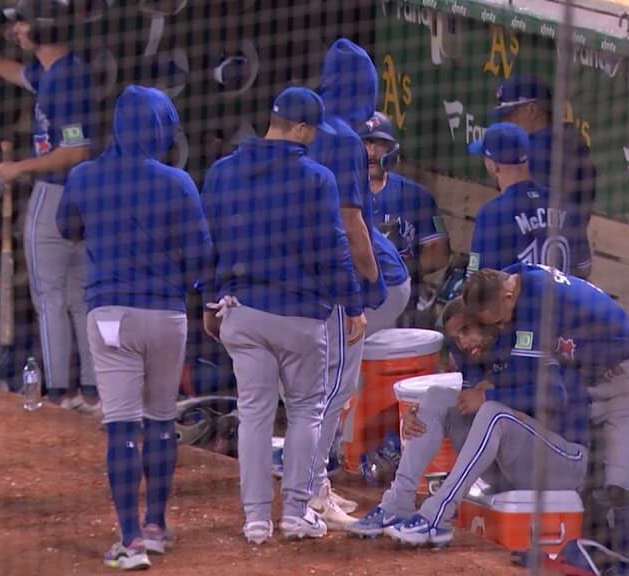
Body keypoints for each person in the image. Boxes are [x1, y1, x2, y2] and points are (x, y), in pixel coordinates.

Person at [54, 85, 213, 570]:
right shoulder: (178, 181)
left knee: (121, 427)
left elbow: (67, 228)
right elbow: (202, 255)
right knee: (162, 422)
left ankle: (130, 542)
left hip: (110, 319)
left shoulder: (84, 175)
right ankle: (156, 525)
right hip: (166, 317)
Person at [198, 86, 365, 543]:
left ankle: (255, 520)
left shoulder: (222, 172)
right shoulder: (317, 179)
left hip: (242, 313)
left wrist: (210, 301)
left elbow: (208, 245)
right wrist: (352, 303)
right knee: (307, 412)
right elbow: (335, 249)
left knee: (253, 414)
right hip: (299, 320)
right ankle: (295, 512)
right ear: (302, 128)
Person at [0, 1, 99, 412]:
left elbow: (77, 150)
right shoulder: (61, 70)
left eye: (23, 23)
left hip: (56, 192)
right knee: (76, 292)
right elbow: (16, 73)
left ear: (41, 29)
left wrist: (17, 168)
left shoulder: (65, 79)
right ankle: (87, 392)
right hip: (83, 198)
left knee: (50, 296)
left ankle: (59, 395)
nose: (16, 30)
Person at [463, 263, 629, 568]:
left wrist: (490, 394)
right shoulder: (511, 280)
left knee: (621, 490)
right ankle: (595, 564)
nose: (503, 326)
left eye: (503, 320)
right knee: (588, 487)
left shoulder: (535, 296)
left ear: (509, 296)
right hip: (587, 385)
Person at [356, 294, 590, 548]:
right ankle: (397, 503)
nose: (464, 342)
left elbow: (555, 397)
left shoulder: (524, 339)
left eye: (467, 330)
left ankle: (438, 515)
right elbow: (464, 401)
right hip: (516, 464)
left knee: (493, 411)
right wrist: (418, 412)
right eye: (457, 338)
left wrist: (490, 395)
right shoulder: (478, 354)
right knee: (436, 398)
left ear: (485, 319)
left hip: (565, 461)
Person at [305, 38, 411, 530]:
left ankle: (309, 489)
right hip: (335, 289)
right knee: (329, 391)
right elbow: (352, 226)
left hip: (297, 285)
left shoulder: (303, 129)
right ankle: (308, 491)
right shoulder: (344, 140)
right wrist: (361, 293)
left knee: (308, 393)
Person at [464, 123, 591, 280]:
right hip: (562, 302)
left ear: (494, 166)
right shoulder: (566, 205)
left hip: (518, 303)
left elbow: (477, 281)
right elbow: (584, 269)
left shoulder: (492, 213)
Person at [359, 111, 450, 328]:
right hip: (356, 301)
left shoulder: (415, 195)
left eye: (379, 144)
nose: (371, 152)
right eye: (365, 143)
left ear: (391, 149)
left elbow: (439, 253)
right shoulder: (341, 193)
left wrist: (401, 268)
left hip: (403, 301)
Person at [488, 74, 597, 227]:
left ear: (532, 110)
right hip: (570, 244)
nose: (506, 123)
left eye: (510, 115)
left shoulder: (539, 152)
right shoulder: (569, 140)